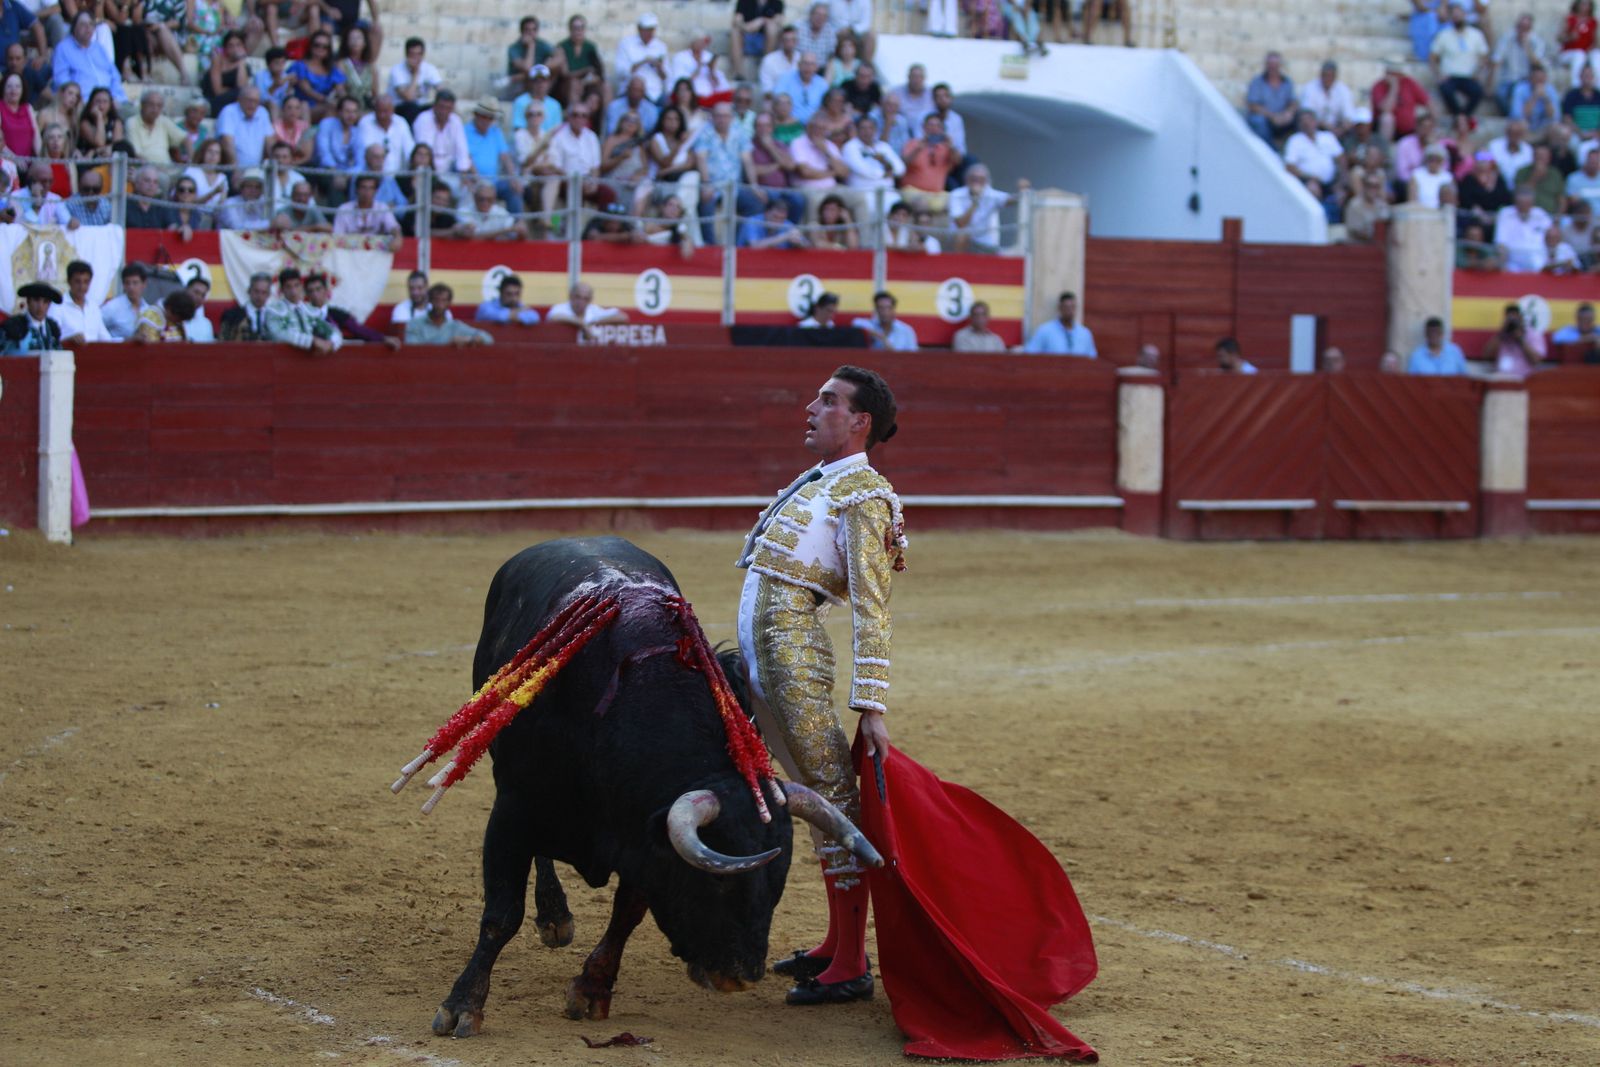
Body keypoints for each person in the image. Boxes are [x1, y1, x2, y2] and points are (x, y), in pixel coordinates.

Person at [734, 363, 903, 1007]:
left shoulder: (865, 495)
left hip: (794, 655)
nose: (811, 407)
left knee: (830, 796)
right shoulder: (827, 482)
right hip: (767, 655)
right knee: (812, 794)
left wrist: (871, 706)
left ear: (860, 421)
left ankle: (853, 963)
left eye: (828, 401)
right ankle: (838, 943)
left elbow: (872, 607)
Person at [304, 271, 399, 348]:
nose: (315, 294)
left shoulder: (337, 314)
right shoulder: (301, 314)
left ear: (326, 291)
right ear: (307, 295)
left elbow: (358, 330)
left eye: (318, 289)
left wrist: (383, 338)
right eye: (311, 291)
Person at [51, 11, 126, 105]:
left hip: (111, 101)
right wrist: (77, 99)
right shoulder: (63, 48)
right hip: (85, 102)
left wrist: (116, 97)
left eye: (91, 24)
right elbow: (61, 79)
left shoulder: (99, 48)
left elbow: (114, 76)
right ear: (74, 28)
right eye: (83, 24)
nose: (88, 27)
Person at [1430, 2, 1490, 117]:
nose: (1457, 17)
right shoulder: (1443, 35)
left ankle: (1461, 117)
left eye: (1459, 14)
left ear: (1465, 15)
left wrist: (1478, 72)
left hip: (1469, 77)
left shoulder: (1476, 35)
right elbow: (1432, 57)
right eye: (1454, 15)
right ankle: (1461, 118)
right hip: (1450, 76)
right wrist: (1439, 74)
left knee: (1478, 92)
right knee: (1446, 90)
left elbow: (1484, 56)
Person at [948, 166, 1026, 252]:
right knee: (962, 236)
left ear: (986, 182)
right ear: (967, 180)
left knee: (998, 253)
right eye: (974, 179)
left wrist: (1023, 191)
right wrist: (975, 202)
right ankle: (959, 264)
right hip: (959, 240)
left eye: (981, 179)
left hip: (983, 240)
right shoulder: (956, 195)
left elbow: (1010, 200)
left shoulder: (990, 194)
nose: (977, 182)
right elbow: (961, 224)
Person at [265, 267, 341, 354]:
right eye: (288, 287)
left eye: (296, 285)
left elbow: (330, 330)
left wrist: (332, 343)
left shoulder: (310, 311)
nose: (293, 291)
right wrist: (312, 341)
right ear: (282, 290)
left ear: (301, 286)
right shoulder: (274, 310)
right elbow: (276, 333)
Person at [1490, 12, 1549, 115]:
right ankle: (1512, 117)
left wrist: (1527, 46)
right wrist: (1491, 81)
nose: (1522, 30)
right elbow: (1497, 59)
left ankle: (1517, 118)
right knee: (1499, 93)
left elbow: (1537, 64)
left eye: (1526, 28)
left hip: (1527, 80)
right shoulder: (1507, 39)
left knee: (1518, 91)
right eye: (1520, 27)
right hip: (1508, 78)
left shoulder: (1537, 42)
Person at [405, 282, 492, 345]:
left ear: (449, 303)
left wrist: (468, 340)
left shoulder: (455, 326)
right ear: (430, 301)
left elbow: (488, 339)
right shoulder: (415, 324)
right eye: (436, 300)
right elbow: (413, 349)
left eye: (444, 300)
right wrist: (448, 343)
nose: (439, 304)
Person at [48, 260, 111, 345]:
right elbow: (50, 340)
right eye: (77, 281)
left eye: (86, 282)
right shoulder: (57, 306)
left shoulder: (93, 307)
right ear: (69, 281)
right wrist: (69, 340)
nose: (82, 287)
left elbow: (105, 339)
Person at [1495, 185, 1554, 271]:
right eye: (1521, 203)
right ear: (1515, 202)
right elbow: (1501, 243)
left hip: (1541, 261)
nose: (1524, 207)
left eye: (1527, 204)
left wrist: (1551, 257)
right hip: (1514, 263)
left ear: (1532, 202)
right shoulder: (1505, 214)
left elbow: (1553, 235)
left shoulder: (1540, 214)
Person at [1244, 51, 1296, 145]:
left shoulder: (1287, 82)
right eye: (1270, 65)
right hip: (1265, 117)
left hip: (1282, 117)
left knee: (1302, 118)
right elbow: (1253, 105)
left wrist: (1288, 113)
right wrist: (1272, 116)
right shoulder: (1257, 82)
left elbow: (1293, 102)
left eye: (1275, 65)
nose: (1273, 67)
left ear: (1280, 66)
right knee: (1258, 121)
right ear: (1266, 65)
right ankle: (1270, 150)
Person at [615, 12, 669, 103]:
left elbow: (666, 77)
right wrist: (643, 62)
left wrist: (659, 67)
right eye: (646, 30)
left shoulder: (661, 46)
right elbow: (621, 73)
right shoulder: (626, 44)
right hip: (630, 93)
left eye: (651, 30)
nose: (649, 33)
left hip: (654, 93)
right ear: (639, 29)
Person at [1480, 303, 1545, 377]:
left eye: (1515, 318)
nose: (1512, 321)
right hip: (1501, 378)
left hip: (1524, 378)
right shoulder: (1502, 335)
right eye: (1509, 318)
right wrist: (1502, 333)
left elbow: (1536, 360)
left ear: (1521, 318)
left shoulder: (1532, 334)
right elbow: (1486, 355)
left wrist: (1520, 339)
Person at [388, 36, 442, 123]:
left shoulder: (430, 69)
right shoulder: (397, 71)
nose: (416, 58)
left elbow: (441, 91)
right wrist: (416, 74)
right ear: (406, 54)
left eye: (419, 54)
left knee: (440, 107)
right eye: (412, 54)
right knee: (411, 107)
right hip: (401, 108)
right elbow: (409, 98)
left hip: (422, 107)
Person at [1024, 291, 1096, 356]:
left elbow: (1092, 358)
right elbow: (1030, 354)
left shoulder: (1085, 334)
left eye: (1072, 307)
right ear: (1060, 308)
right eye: (1066, 307)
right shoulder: (1045, 331)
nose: (1069, 311)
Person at [127, 90, 186, 165]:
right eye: (151, 105)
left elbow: (185, 138)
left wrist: (193, 160)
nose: (155, 109)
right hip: (144, 169)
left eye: (159, 106)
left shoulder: (164, 121)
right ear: (142, 105)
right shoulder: (132, 122)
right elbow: (136, 154)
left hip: (167, 168)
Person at [547, 281, 628, 335]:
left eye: (585, 299)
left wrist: (594, 323)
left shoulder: (593, 310)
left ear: (590, 300)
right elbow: (553, 317)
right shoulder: (561, 308)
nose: (581, 302)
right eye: (577, 297)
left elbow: (623, 317)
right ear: (570, 296)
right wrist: (582, 324)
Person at [3, 282, 63, 354]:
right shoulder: (13, 325)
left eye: (45, 301)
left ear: (49, 304)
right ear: (28, 301)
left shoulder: (53, 327)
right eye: (36, 300)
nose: (40, 306)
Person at [1299, 60, 1356, 134]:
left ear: (1335, 76)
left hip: (1338, 130)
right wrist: (1326, 126)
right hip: (1315, 129)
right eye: (1325, 75)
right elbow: (1307, 113)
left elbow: (1349, 116)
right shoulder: (1310, 88)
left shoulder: (1343, 90)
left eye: (1330, 76)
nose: (1327, 79)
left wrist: (1341, 129)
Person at [101, 263, 154, 342]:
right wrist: (125, 340)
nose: (131, 287)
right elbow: (97, 334)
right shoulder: (112, 307)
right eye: (127, 283)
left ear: (144, 284)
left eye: (135, 283)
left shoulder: (148, 309)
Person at [334, 172, 401, 235]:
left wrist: (397, 236)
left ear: (376, 191)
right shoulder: (344, 209)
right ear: (357, 189)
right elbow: (338, 234)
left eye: (371, 188)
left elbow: (393, 226)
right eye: (363, 187)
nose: (367, 192)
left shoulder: (382, 208)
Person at [851, 290, 917, 350]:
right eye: (881, 308)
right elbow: (855, 322)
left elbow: (913, 356)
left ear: (894, 310)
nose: (885, 312)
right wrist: (881, 337)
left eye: (888, 308)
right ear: (876, 310)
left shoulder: (906, 330)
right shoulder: (870, 324)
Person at [219, 271, 274, 340]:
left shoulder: (274, 316)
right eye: (256, 291)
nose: (259, 296)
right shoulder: (232, 315)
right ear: (249, 291)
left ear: (269, 294)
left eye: (264, 292)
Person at [475, 273, 542, 325]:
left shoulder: (520, 307)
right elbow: (498, 317)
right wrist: (517, 312)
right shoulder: (486, 307)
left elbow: (535, 317)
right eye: (509, 294)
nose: (514, 298)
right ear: (500, 293)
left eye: (517, 294)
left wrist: (512, 315)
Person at [760, 23, 801, 95]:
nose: (790, 44)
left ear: (797, 41)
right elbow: (767, 90)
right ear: (780, 41)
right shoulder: (769, 60)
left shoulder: (802, 59)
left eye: (793, 40)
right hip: (776, 101)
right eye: (786, 40)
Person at [184, 276, 216, 343]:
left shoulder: (206, 324)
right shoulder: (173, 318)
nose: (199, 297)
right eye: (196, 292)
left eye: (203, 295)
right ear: (186, 291)